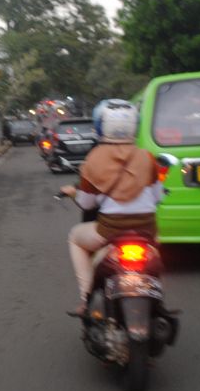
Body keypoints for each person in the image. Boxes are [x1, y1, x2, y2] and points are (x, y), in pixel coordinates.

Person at [60, 98, 163, 315]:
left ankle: (86, 297)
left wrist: (73, 193)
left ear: (100, 125)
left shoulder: (93, 160)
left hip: (109, 232)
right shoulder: (147, 157)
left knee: (74, 238)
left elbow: (86, 203)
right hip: (147, 232)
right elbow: (157, 198)